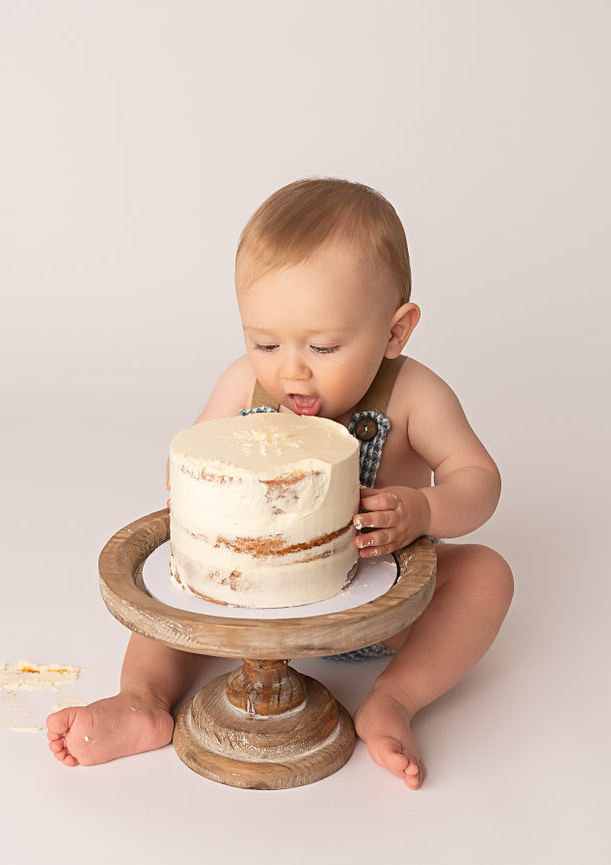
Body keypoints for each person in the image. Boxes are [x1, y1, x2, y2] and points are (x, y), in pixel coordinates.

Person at [47, 178, 513, 789]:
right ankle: (142, 701)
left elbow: (479, 480)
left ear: (395, 332)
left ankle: (393, 700)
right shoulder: (244, 383)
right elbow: (192, 453)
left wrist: (423, 509)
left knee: (485, 575)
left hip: (374, 606)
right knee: (171, 582)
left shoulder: (413, 395)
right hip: (244, 603)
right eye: (265, 341)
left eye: (323, 346)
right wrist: (192, 492)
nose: (290, 369)